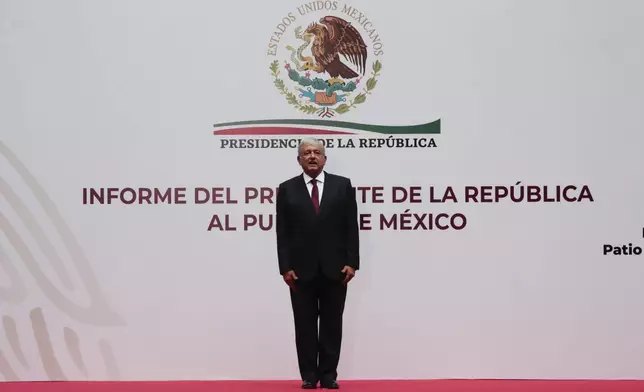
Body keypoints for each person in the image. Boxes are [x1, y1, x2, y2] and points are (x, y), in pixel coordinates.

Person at [275, 138, 360, 389]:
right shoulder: (287, 189)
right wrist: (285, 267)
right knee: (304, 325)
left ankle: (329, 375)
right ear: (298, 159)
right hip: (300, 271)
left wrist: (352, 262)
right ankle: (309, 376)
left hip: (336, 269)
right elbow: (283, 232)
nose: (312, 156)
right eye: (306, 153)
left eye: (317, 152)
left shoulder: (342, 186)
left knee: (333, 325)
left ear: (325, 158)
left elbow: (350, 227)